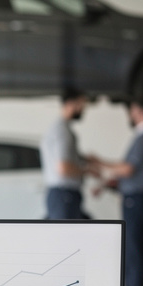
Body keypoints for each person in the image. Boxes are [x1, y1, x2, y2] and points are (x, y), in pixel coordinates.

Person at [96, 98, 143, 286]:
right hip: (141, 199)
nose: (131, 114)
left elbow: (128, 170)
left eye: (132, 109)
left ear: (141, 110)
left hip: (137, 200)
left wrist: (100, 163)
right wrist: (106, 183)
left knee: (134, 252)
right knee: (140, 250)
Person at [40, 86, 98, 220]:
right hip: (64, 195)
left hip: (62, 195)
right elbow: (64, 167)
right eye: (82, 104)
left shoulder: (59, 129)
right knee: (64, 237)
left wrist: (84, 159)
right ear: (72, 103)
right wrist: (87, 171)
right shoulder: (63, 132)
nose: (84, 109)